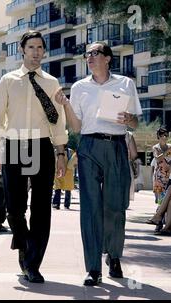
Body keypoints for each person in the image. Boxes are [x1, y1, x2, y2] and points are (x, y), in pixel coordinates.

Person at [56, 41, 142, 286]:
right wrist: (66, 106)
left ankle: (113, 256)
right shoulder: (80, 87)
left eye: (94, 53)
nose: (89, 58)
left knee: (115, 207)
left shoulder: (126, 83)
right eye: (87, 54)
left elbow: (135, 123)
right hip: (89, 147)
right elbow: (76, 127)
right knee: (90, 209)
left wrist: (129, 119)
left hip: (116, 145)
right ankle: (93, 267)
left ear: (107, 58)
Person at [0, 30, 68, 283]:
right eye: (31, 47)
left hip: (42, 145)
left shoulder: (52, 82)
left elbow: (58, 121)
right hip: (15, 146)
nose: (36, 52)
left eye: (40, 47)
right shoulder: (8, 80)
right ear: (22, 50)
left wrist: (61, 152)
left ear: (44, 51)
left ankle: (32, 263)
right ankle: (25, 242)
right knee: (14, 207)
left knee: (42, 207)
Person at [152, 126, 171, 204]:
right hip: (159, 177)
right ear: (158, 136)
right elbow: (157, 159)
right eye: (162, 135)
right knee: (160, 201)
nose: (164, 137)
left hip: (169, 176)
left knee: (168, 199)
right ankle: (160, 214)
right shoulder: (156, 148)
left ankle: (164, 214)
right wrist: (166, 151)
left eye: (166, 135)